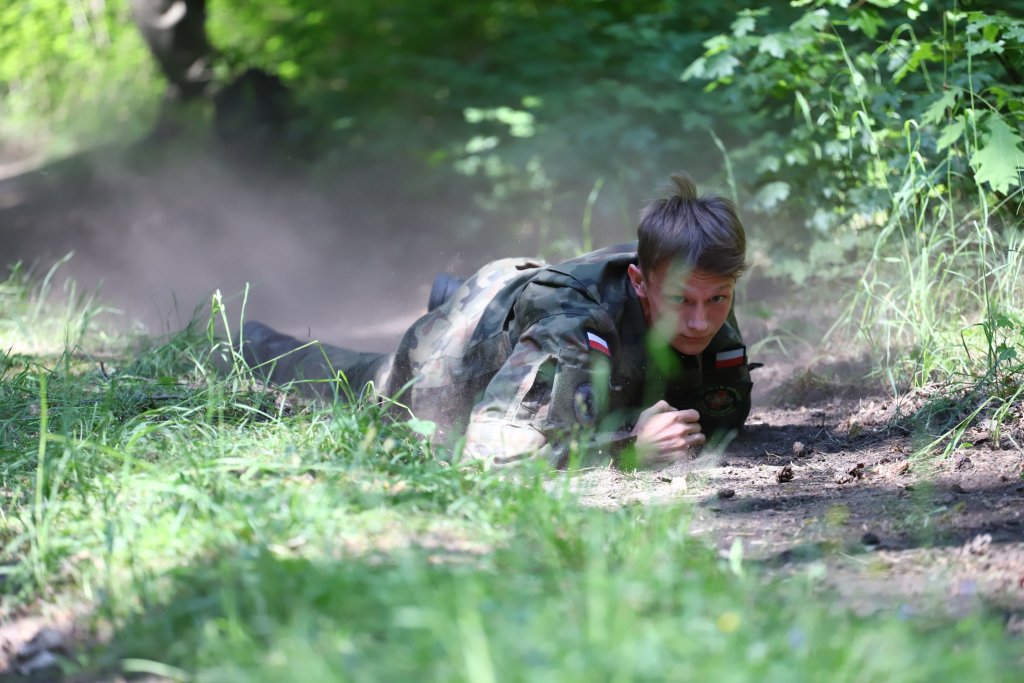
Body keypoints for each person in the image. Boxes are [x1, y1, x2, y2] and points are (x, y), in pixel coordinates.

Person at [241, 172, 754, 468]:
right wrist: (627, 451)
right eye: (682, 302)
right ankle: (244, 340)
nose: (699, 322)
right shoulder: (575, 329)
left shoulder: (703, 301)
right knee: (342, 379)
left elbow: (716, 412)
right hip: (448, 359)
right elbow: (488, 457)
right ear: (642, 284)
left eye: (718, 300)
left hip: (519, 305)